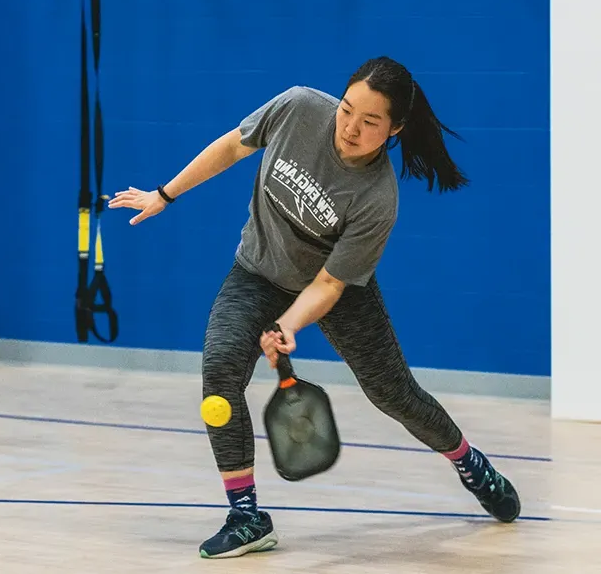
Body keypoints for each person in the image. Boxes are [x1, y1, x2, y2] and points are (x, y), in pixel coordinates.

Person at [109, 56, 520, 559]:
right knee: (219, 370)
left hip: (339, 292)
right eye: (348, 110)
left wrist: (287, 324)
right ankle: (246, 517)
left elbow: (329, 283)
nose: (351, 128)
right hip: (256, 274)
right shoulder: (298, 107)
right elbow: (234, 145)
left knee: (395, 395)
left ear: (395, 129)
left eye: (370, 122)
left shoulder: (377, 198)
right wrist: (165, 194)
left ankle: (467, 460)